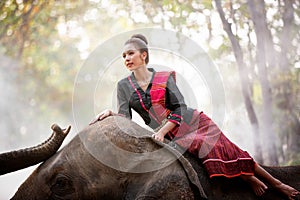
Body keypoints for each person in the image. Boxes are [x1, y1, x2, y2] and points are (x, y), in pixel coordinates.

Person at [90, 34, 299, 199]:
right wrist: (112, 114)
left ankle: (276, 184)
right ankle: (247, 177)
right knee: (201, 148)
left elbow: (180, 107)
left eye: (130, 53)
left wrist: (162, 131)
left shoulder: (164, 78)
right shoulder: (123, 86)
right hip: (171, 135)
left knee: (226, 149)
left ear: (143, 55)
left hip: (193, 122)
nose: (126, 59)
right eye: (123, 56)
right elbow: (125, 117)